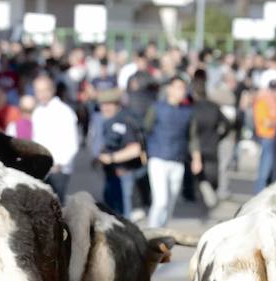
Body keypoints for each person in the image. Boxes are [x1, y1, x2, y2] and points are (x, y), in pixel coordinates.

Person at [142, 76, 195, 227]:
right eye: (178, 87)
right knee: (161, 201)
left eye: (184, 88)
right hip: (158, 158)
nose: (182, 92)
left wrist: (196, 158)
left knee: (170, 203)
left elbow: (192, 136)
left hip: (178, 160)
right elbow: (146, 129)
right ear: (169, 89)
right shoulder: (157, 108)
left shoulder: (187, 112)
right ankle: (151, 232)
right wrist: (144, 151)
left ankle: (162, 232)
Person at [30, 73, 80, 202]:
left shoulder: (64, 111)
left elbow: (72, 143)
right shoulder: (37, 112)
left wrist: (60, 163)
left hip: (59, 169)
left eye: (45, 90)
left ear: (52, 90)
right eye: (38, 91)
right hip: (42, 168)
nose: (42, 94)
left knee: (57, 206)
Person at [95, 88, 144, 217]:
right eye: (102, 105)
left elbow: (135, 149)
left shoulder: (124, 121)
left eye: (109, 104)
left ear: (117, 105)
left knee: (124, 217)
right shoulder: (108, 120)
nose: (105, 108)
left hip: (124, 175)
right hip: (111, 175)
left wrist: (111, 158)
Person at [186, 79, 229, 210]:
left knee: (195, 174)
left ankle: (197, 195)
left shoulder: (191, 109)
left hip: (196, 145)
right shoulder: (214, 107)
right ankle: (208, 192)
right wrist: (219, 136)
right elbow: (227, 124)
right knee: (211, 174)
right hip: (212, 143)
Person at [252, 79, 276, 193]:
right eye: (272, 89)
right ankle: (258, 194)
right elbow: (267, 123)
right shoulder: (262, 102)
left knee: (273, 171)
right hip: (267, 138)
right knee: (264, 170)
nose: (274, 92)